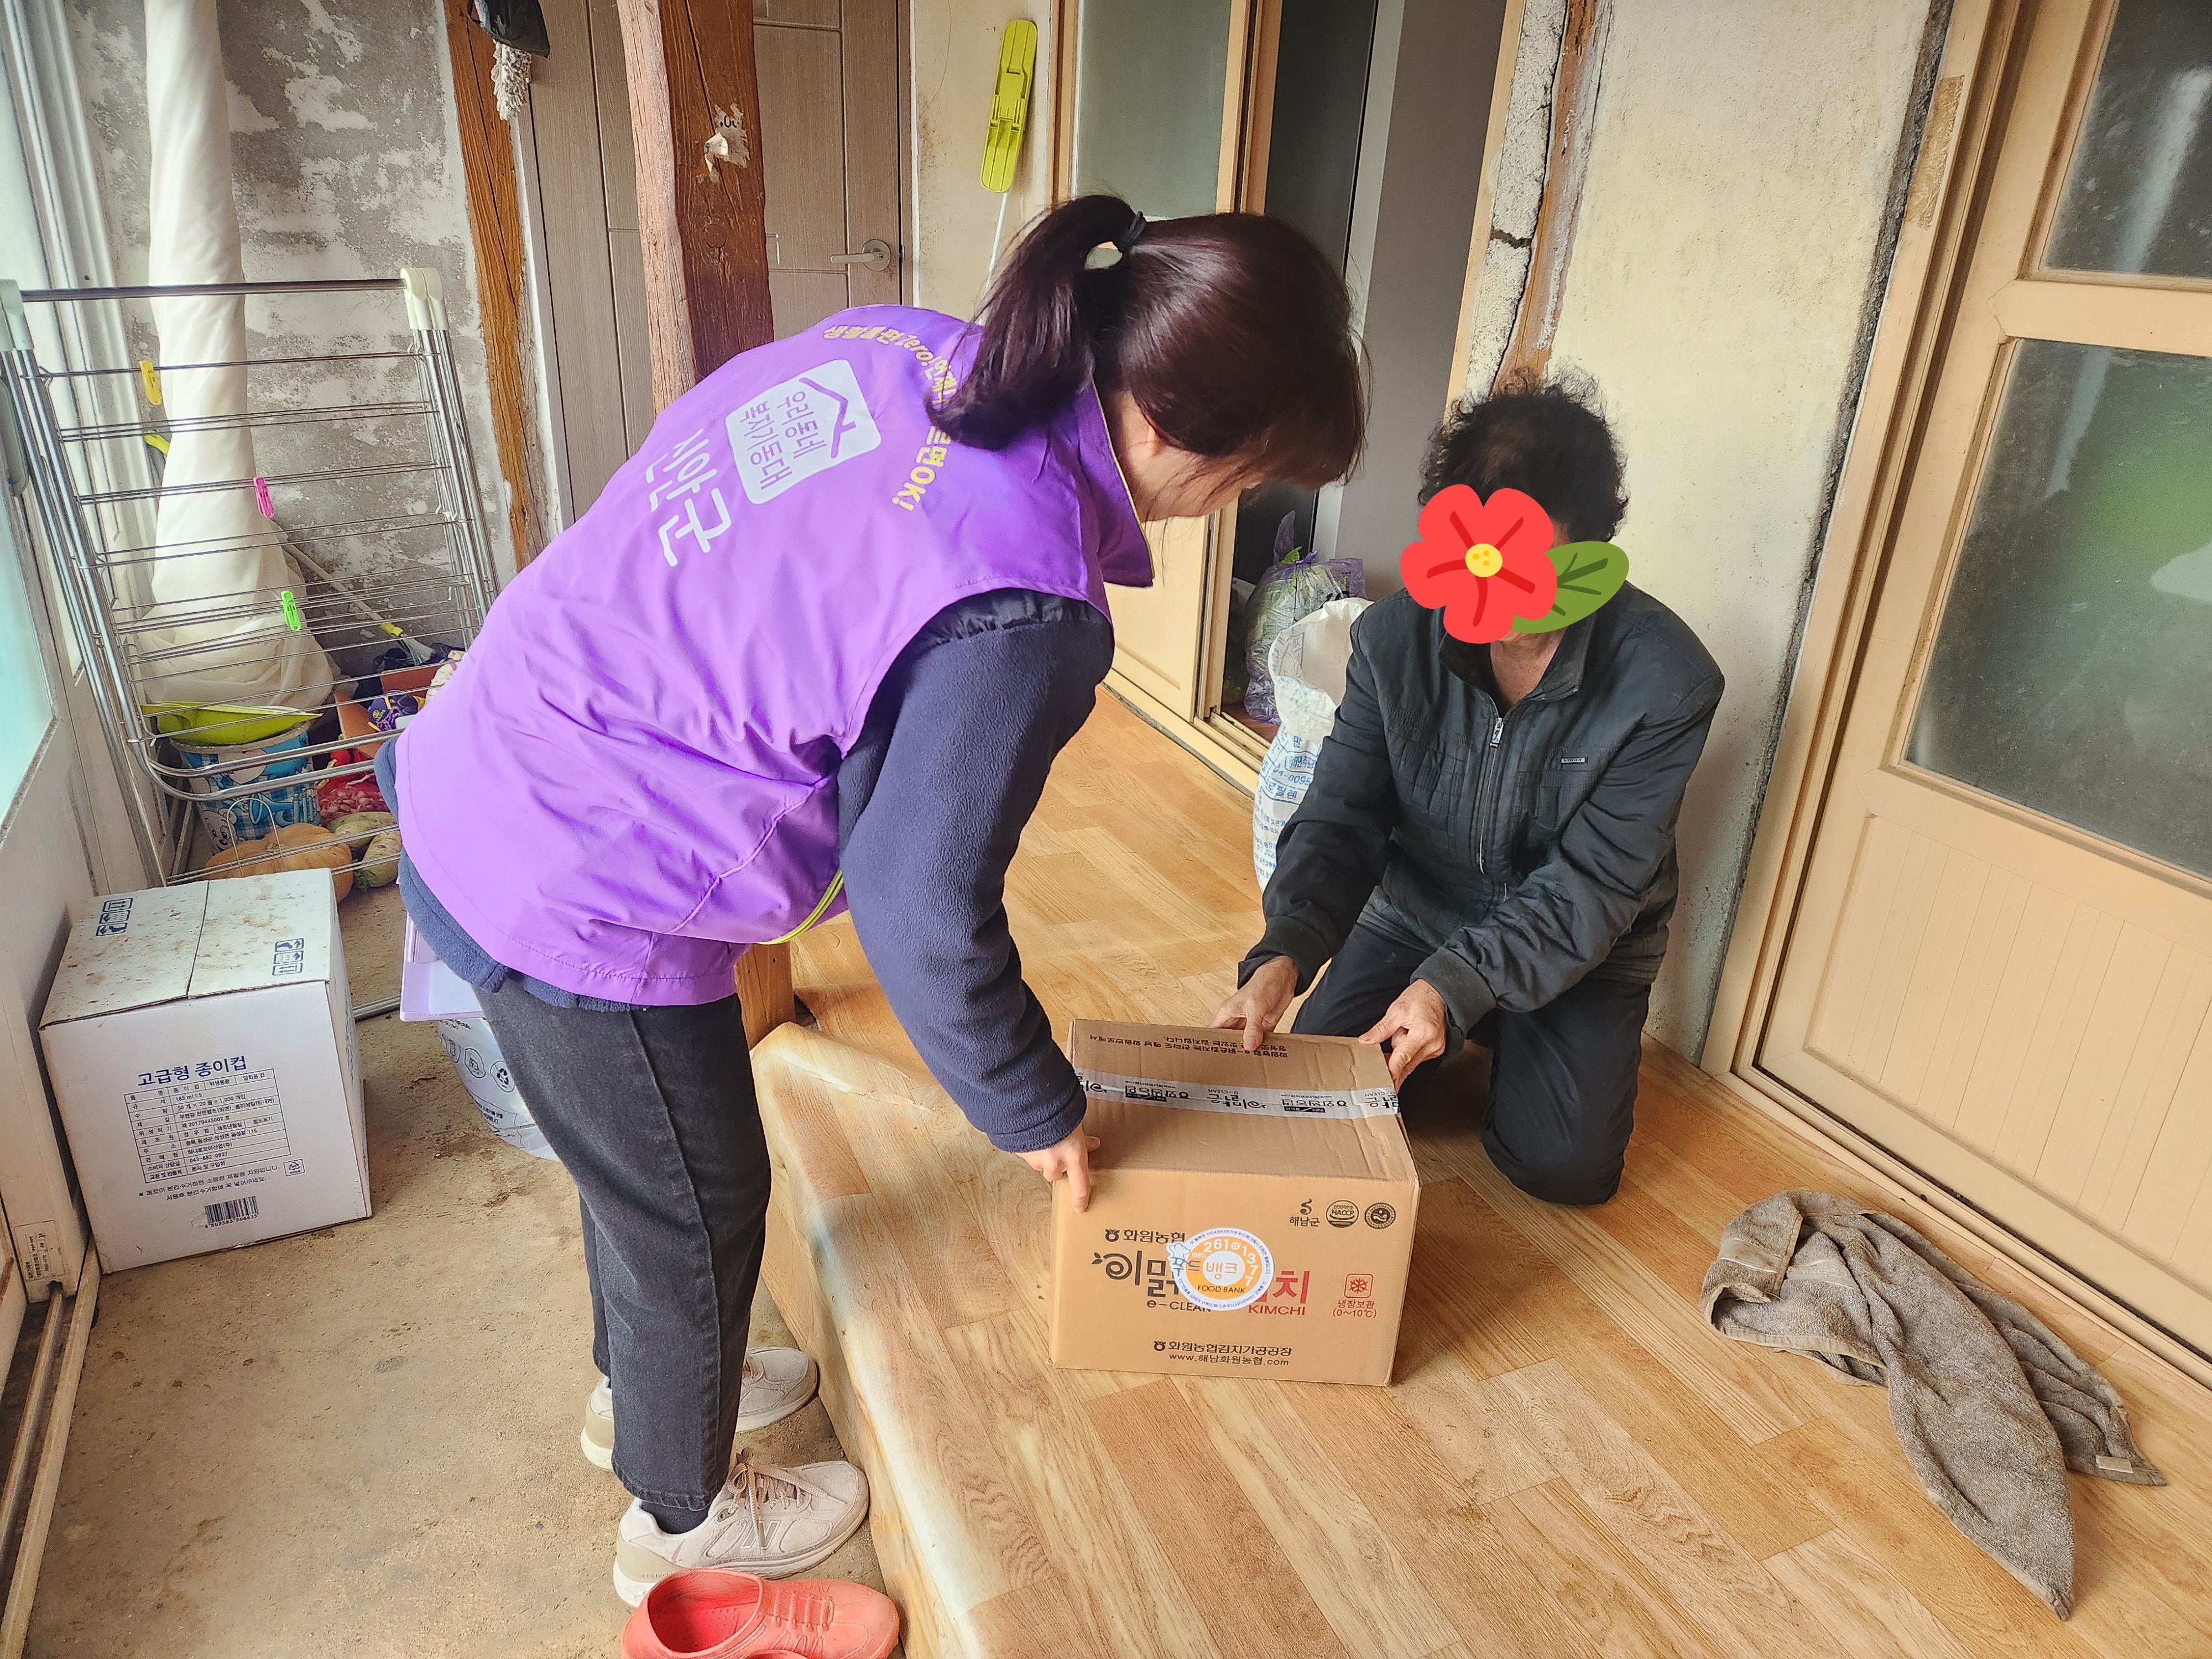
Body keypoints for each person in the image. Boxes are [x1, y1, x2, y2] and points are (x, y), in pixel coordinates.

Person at [379, 195, 1364, 1605]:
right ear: (1172, 428)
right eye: (1251, 478)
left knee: (648, 1169)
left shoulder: (904, 346)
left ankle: (647, 1388)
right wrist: (1035, 1108)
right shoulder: (1023, 602)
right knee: (694, 1203)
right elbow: (921, 908)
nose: (1231, 510)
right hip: (579, 860)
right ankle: (678, 1522)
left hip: (507, 737)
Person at [1213, 374, 1720, 1207]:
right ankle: (1478, 1010)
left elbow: (1595, 884)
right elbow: (1342, 814)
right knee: (1319, 1098)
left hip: (1581, 941)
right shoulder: (1393, 640)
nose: (1500, 597)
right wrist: (1284, 952)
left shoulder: (1668, 681)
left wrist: (1451, 987)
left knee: (1562, 1169)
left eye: (1534, 566)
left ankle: (1502, 1015)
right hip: (1418, 909)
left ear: (1591, 550)